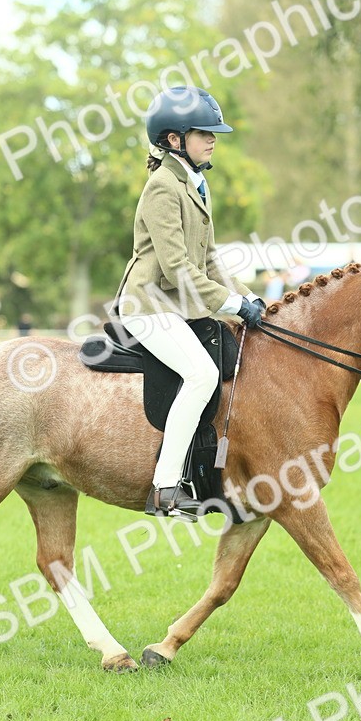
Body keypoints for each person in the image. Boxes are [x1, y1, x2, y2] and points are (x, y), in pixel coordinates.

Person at [109, 86, 264, 521]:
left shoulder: (196, 183)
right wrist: (231, 304)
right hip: (149, 305)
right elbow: (177, 268)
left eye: (214, 133)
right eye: (203, 133)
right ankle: (165, 489)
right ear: (174, 139)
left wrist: (247, 296)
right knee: (201, 374)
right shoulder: (162, 187)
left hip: (178, 306)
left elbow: (209, 258)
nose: (213, 139)